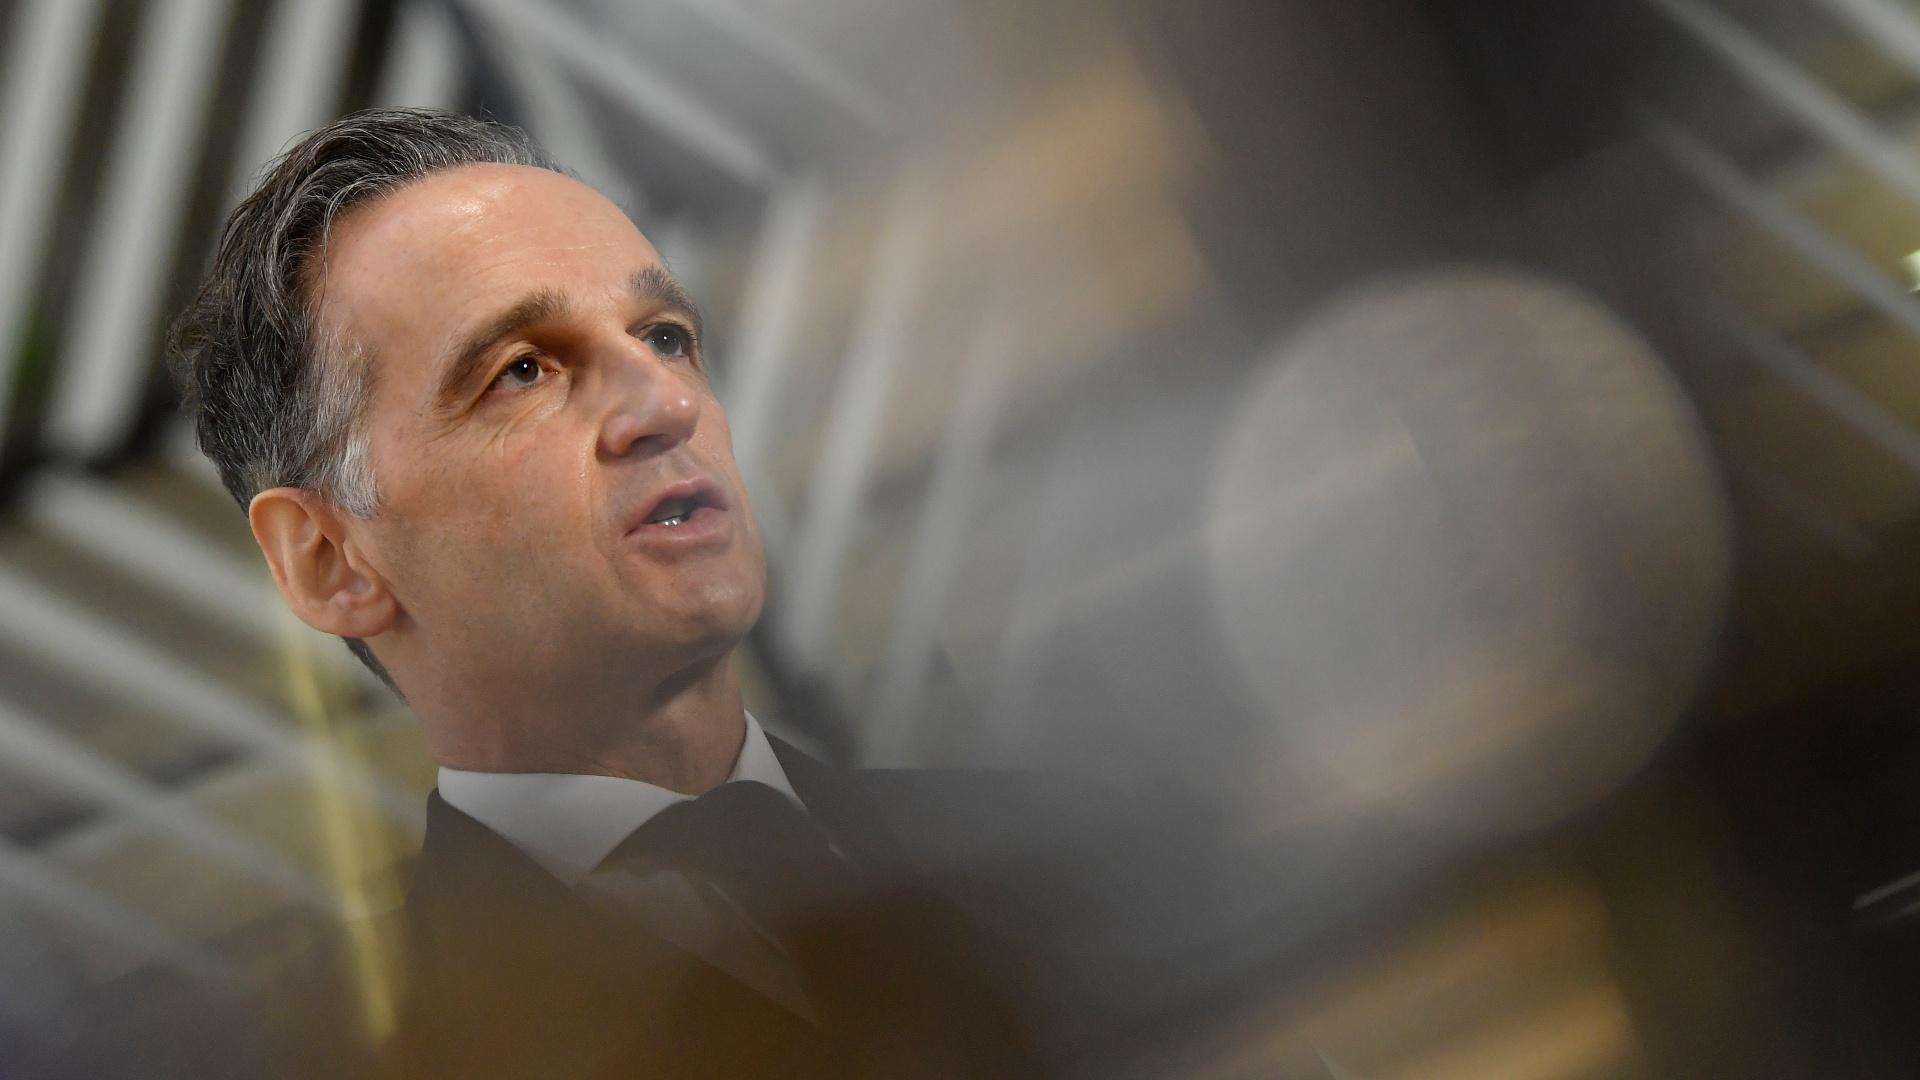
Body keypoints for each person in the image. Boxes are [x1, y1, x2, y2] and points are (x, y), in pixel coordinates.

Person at [152, 107, 1071, 1079]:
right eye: (521, 371)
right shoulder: (349, 1055)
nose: (665, 406)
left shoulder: (1054, 850)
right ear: (331, 561)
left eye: (665, 337)